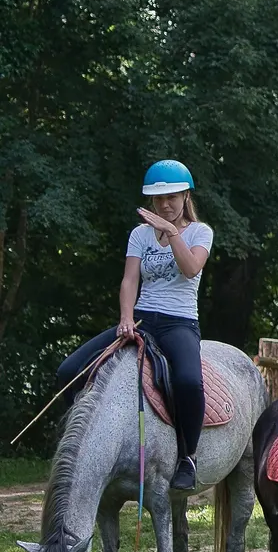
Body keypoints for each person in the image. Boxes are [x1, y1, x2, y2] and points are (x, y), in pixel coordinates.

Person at [54, 160, 216, 494]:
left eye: (171, 197)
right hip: (141, 318)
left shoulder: (201, 233)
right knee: (67, 371)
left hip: (179, 323)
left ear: (186, 195)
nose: (165, 204)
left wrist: (172, 233)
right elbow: (129, 280)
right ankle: (81, 446)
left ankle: (188, 457)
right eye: (158, 199)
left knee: (188, 381)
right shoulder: (139, 234)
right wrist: (126, 317)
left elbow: (190, 269)